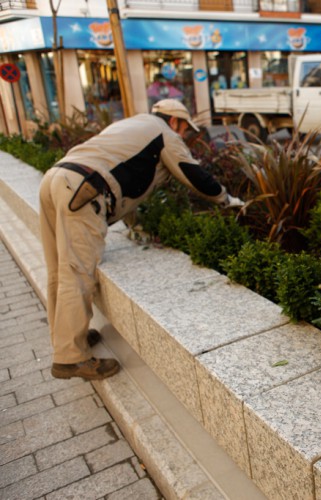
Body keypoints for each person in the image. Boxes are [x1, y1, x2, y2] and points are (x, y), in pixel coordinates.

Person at [39, 99, 244, 380]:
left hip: (56, 178)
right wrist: (226, 199)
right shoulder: (165, 135)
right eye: (184, 129)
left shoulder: (134, 123)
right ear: (175, 121)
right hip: (83, 191)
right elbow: (194, 174)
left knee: (59, 268)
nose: (183, 135)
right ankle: (70, 358)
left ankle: (68, 338)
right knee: (77, 273)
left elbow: (125, 179)